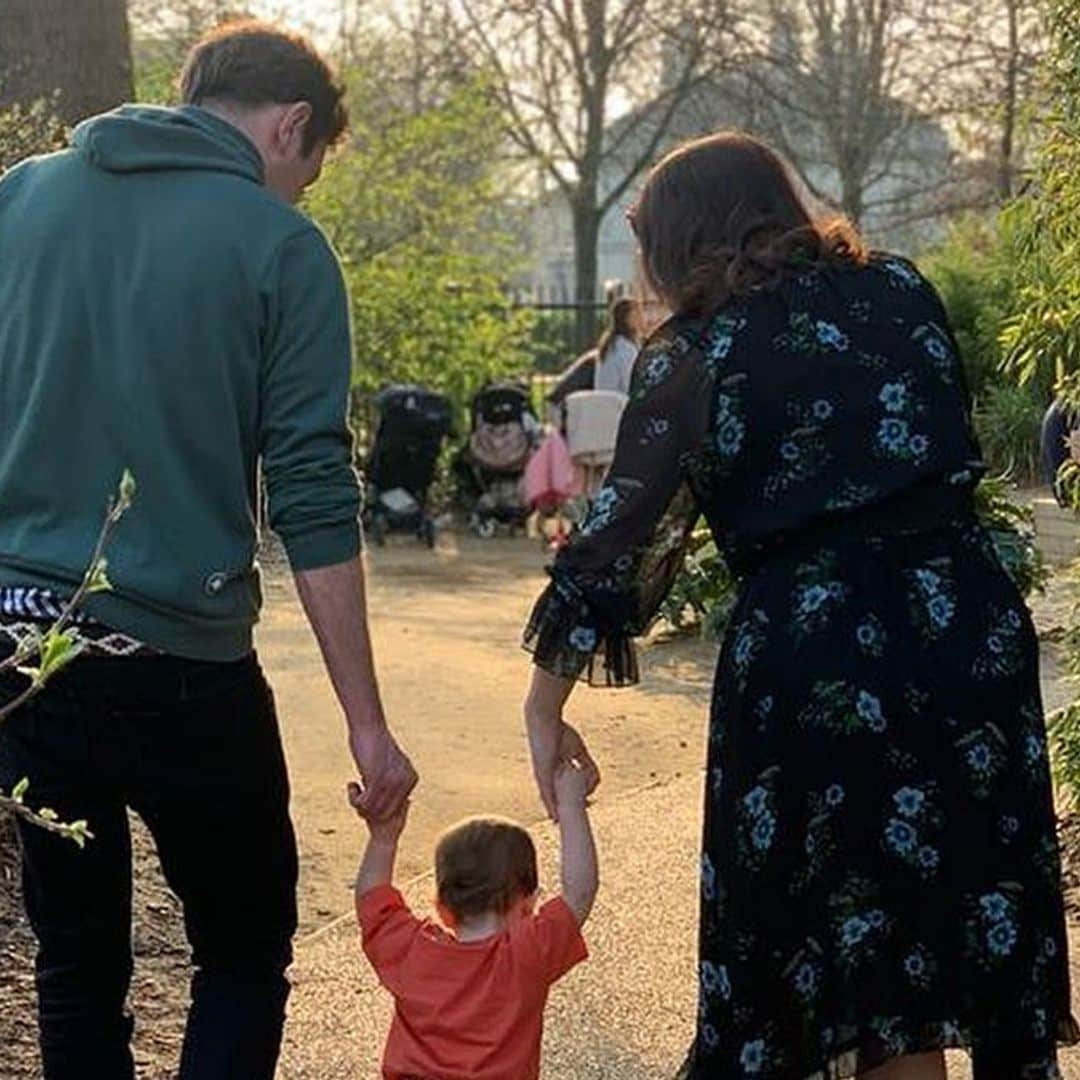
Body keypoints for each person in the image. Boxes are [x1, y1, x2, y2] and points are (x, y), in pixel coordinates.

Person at [522, 131, 1077, 1080]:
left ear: (676, 241)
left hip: (815, 654)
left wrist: (545, 703)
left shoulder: (695, 353)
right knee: (937, 948)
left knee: (822, 954)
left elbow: (621, 536)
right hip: (964, 631)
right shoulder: (902, 289)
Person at [0, 21, 416, 1080]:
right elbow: (312, 496)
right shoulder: (279, 247)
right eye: (308, 175)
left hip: (20, 651)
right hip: (178, 665)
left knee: (74, 958)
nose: (300, 199)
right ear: (292, 126)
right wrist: (366, 727)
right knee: (239, 949)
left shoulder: (19, 200)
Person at [352, 761, 597, 1080]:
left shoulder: (412, 951)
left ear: (441, 907)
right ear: (528, 904)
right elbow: (580, 892)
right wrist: (571, 805)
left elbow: (372, 899)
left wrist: (383, 838)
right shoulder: (525, 955)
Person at [592, 296, 641, 395]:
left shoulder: (611, 343)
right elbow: (631, 386)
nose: (641, 318)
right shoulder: (625, 349)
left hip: (605, 403)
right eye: (636, 314)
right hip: (618, 404)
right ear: (626, 319)